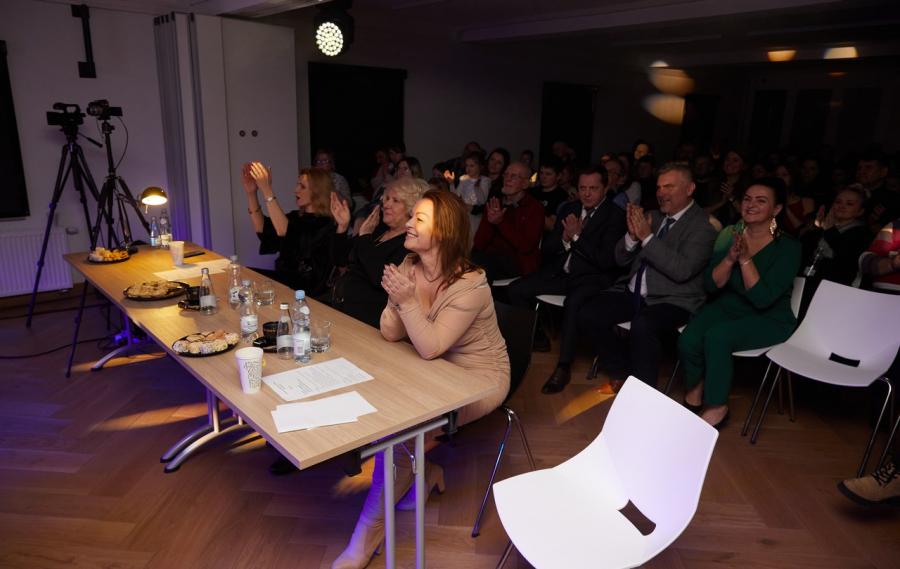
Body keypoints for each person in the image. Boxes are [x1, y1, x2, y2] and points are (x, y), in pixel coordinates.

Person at [332, 190, 510, 569]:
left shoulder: (472, 284)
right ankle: (424, 474)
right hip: (433, 364)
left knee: (400, 434)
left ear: (443, 232)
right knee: (383, 408)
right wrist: (397, 298)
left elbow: (430, 346)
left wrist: (406, 300)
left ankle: (367, 535)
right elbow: (390, 333)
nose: (408, 224)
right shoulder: (410, 264)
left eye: (419, 219)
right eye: (411, 216)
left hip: (478, 377)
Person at [543, 163, 716, 394]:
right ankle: (621, 371)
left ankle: (642, 394)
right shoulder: (653, 216)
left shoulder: (702, 227)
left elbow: (682, 270)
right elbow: (620, 258)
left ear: (690, 188)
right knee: (587, 313)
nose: (661, 192)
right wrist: (633, 238)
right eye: (659, 187)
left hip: (673, 299)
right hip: (634, 292)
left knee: (643, 325)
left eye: (669, 187)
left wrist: (647, 237)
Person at [680, 178, 802, 428]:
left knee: (718, 337)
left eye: (761, 200)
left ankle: (717, 406)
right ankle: (697, 387)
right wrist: (729, 259)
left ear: (777, 209)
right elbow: (711, 285)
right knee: (689, 339)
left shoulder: (788, 247)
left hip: (769, 317)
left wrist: (745, 260)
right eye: (747, 199)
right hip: (728, 307)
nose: (751, 205)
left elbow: (762, 298)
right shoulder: (729, 234)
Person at [507, 164, 625, 356]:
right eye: (582, 188)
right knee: (516, 289)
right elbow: (547, 248)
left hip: (591, 278)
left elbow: (605, 260)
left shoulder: (615, 215)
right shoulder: (570, 208)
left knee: (573, 303)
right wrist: (564, 238)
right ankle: (537, 337)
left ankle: (564, 364)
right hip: (562, 274)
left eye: (593, 188)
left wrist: (577, 237)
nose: (587, 194)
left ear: (605, 188)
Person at [329, 177, 428, 327]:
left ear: (412, 208)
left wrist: (364, 237)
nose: (386, 205)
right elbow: (340, 259)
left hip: (368, 320)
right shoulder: (377, 230)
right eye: (386, 199)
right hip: (342, 308)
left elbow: (380, 278)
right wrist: (342, 227)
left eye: (395, 201)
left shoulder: (409, 243)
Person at [243, 162, 335, 295]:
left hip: (307, 288)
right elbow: (264, 230)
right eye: (298, 184)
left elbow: (286, 233)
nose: (296, 190)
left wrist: (267, 190)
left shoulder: (325, 223)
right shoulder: (296, 216)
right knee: (245, 275)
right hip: (286, 280)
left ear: (317, 192)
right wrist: (251, 193)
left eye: (302, 186)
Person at [472, 161, 544, 282]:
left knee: (479, 268)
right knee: (462, 262)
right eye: (506, 175)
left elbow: (526, 246)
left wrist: (500, 222)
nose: (507, 179)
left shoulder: (534, 208)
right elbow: (479, 243)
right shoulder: (495, 203)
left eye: (514, 176)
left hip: (517, 262)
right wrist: (490, 222)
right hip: (489, 258)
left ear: (525, 184)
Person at [801, 185, 870, 288]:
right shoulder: (822, 228)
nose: (841, 206)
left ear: (860, 211)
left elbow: (847, 258)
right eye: (838, 202)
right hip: (807, 283)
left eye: (849, 204)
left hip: (836, 288)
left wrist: (829, 231)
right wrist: (815, 228)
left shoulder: (862, 234)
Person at [529, 156, 569, 234]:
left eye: (548, 174)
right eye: (541, 173)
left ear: (558, 176)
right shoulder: (533, 191)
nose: (543, 177)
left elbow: (552, 226)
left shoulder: (561, 196)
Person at [777, 163, 815, 237]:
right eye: (777, 175)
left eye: (784, 175)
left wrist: (785, 206)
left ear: (792, 178)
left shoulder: (806, 201)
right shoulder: (771, 201)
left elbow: (805, 233)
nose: (779, 178)